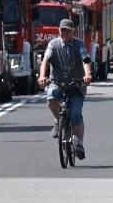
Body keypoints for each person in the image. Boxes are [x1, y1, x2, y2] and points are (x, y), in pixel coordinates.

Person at [39, 17, 93, 160]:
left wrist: (87, 74)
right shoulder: (53, 44)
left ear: (72, 32)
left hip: (76, 84)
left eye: (66, 30)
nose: (63, 33)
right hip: (57, 82)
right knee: (51, 97)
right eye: (61, 30)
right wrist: (42, 76)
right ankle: (58, 121)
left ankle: (80, 144)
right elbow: (46, 60)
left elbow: (85, 59)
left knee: (75, 113)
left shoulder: (79, 44)